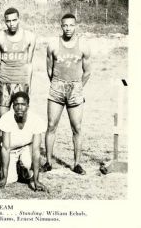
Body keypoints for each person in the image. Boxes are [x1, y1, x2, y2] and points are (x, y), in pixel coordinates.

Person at [43, 13, 91, 175]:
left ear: (75, 26)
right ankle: (48, 162)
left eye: (71, 25)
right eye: (65, 25)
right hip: (57, 87)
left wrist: (78, 87)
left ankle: (77, 163)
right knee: (51, 125)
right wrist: (58, 83)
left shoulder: (83, 46)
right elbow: (49, 68)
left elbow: (87, 71)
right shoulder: (53, 45)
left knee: (77, 127)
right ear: (61, 26)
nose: (68, 28)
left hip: (75, 89)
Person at [0, 7, 36, 150]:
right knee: (3, 123)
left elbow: (29, 64)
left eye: (14, 20)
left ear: (19, 19)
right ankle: (2, 161)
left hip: (21, 82)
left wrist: (28, 86)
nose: (11, 24)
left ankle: (22, 160)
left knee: (22, 121)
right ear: (4, 22)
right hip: (4, 82)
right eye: (8, 21)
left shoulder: (30, 37)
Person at [0, 92, 46, 191]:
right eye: (16, 104)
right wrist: (4, 177)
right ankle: (14, 168)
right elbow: (5, 148)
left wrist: (36, 180)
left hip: (26, 148)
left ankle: (24, 168)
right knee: (10, 179)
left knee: (27, 167)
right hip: (12, 151)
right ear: (13, 106)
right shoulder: (6, 118)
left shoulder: (36, 120)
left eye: (23, 104)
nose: (20, 107)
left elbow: (36, 151)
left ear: (28, 106)